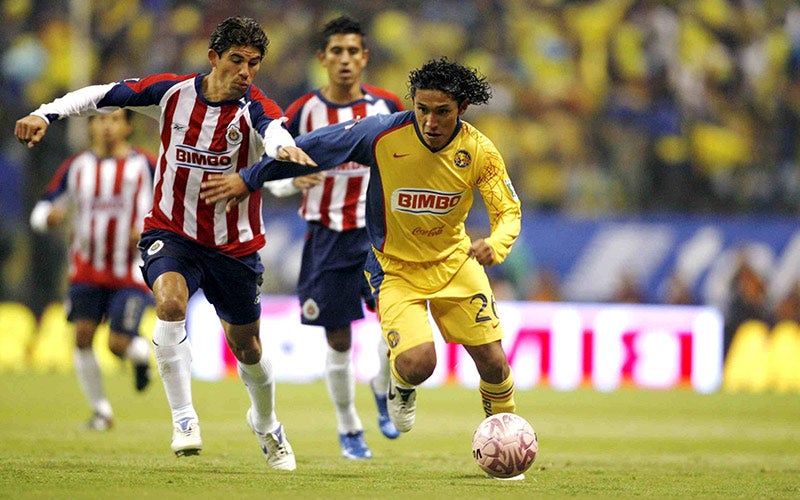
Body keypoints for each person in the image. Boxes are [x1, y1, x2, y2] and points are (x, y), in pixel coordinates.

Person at [15, 16, 316, 470]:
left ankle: (267, 424)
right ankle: (184, 418)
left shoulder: (254, 107)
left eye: (254, 63)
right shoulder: (171, 94)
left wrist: (282, 149)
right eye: (236, 60)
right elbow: (101, 95)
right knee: (171, 304)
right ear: (213, 57)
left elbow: (273, 131)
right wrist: (45, 113)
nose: (245, 72)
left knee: (249, 349)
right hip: (172, 232)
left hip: (233, 245)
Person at [201, 57, 523, 471]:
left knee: (494, 361)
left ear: (461, 107)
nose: (430, 121)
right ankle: (401, 386)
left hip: (456, 263)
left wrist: (496, 244)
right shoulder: (381, 134)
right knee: (419, 364)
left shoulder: (479, 150)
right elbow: (314, 148)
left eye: (441, 111)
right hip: (396, 269)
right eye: (422, 109)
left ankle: (506, 447)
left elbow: (507, 209)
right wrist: (251, 178)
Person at [263, 16, 404, 459]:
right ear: (322, 58)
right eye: (337, 52)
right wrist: (290, 182)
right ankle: (349, 427)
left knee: (396, 322)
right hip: (327, 236)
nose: (345, 60)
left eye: (353, 51)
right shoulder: (303, 111)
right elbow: (269, 170)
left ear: (365, 57)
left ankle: (382, 386)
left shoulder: (387, 106)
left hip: (378, 235)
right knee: (338, 339)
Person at [29, 109, 155, 431]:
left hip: (129, 271)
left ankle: (140, 355)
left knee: (117, 344)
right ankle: (101, 412)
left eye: (115, 119)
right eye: (100, 119)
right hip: (85, 268)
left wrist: (149, 232)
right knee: (82, 337)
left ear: (128, 126)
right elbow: (43, 208)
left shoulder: (146, 165)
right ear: (90, 126)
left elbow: (173, 205)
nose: (107, 126)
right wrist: (47, 218)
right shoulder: (76, 167)